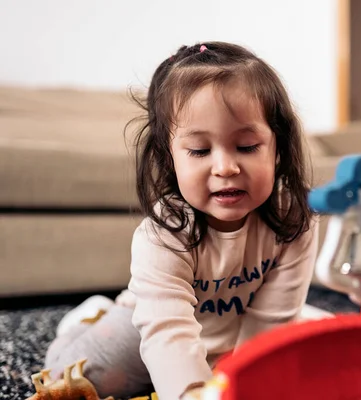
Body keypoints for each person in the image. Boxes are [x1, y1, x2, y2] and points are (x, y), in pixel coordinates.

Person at [43, 41, 319, 400]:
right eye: (200, 151)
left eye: (248, 146)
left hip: (235, 330)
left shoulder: (294, 215)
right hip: (155, 321)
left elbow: (271, 322)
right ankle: (88, 318)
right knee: (66, 380)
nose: (225, 168)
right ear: (170, 157)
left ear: (277, 146)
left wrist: (244, 381)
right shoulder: (164, 232)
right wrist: (192, 392)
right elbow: (167, 331)